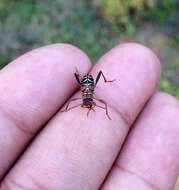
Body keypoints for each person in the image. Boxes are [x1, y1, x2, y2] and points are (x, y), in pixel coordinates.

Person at [0, 43, 178, 190]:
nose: (88, 105)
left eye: (88, 103)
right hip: (86, 86)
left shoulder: (91, 96)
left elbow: (97, 103)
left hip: (88, 85)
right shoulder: (85, 96)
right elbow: (80, 99)